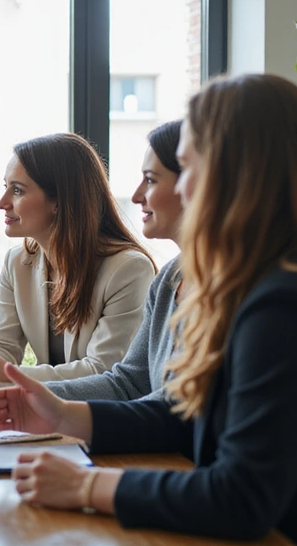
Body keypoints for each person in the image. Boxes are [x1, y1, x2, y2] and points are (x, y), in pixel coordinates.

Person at [0, 74, 297, 543]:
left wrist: (87, 484)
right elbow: (188, 414)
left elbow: (241, 497)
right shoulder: (252, 282)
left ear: (235, 177)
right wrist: (64, 416)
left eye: (187, 168)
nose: (178, 191)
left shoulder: (291, 302)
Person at [0, 133, 155, 391]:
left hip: (100, 421)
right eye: (5, 187)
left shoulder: (129, 270)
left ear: (59, 201)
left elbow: (103, 372)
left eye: (17, 190)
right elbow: (2, 345)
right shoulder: (17, 262)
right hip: (43, 414)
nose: (2, 203)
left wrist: (6, 373)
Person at [43, 121, 185, 401]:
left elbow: (174, 414)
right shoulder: (169, 279)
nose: (136, 196)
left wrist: (54, 409)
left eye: (151, 180)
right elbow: (129, 383)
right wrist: (27, 396)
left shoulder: (243, 289)